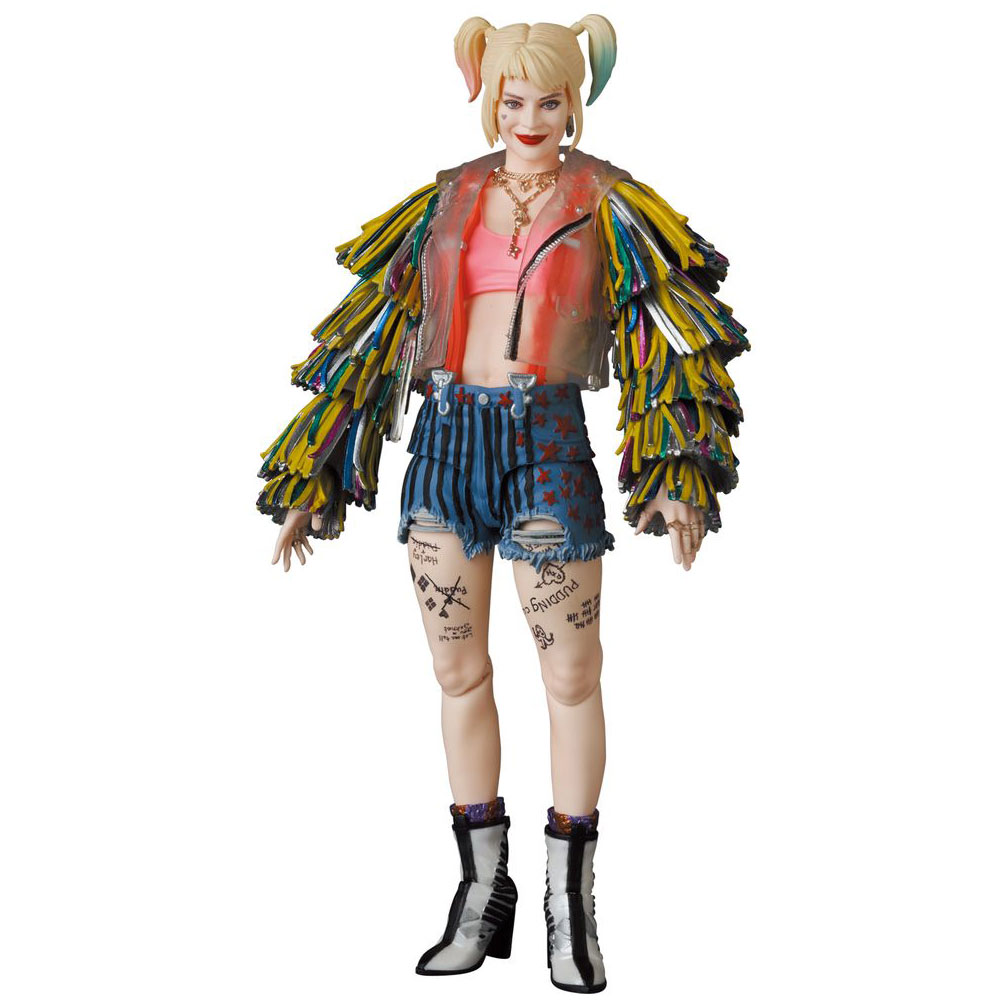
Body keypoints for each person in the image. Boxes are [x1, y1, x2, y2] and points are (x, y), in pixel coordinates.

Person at [256, 15, 749, 993]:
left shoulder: (612, 203)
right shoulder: (446, 200)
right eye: (513, 99)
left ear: (575, 101)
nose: (530, 118)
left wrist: (678, 471)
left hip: (547, 444)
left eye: (550, 100)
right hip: (445, 442)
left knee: (570, 670)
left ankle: (571, 902)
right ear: (488, 96)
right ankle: (482, 896)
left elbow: (666, 329)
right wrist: (314, 475)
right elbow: (373, 330)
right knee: (456, 669)